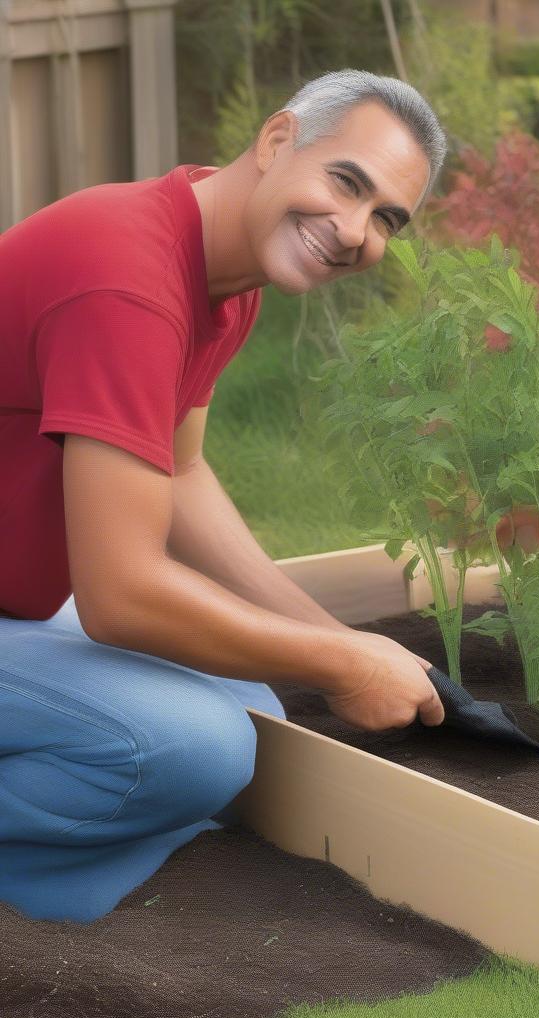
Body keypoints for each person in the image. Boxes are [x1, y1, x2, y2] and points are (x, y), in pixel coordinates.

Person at [0, 70, 451, 925]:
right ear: (279, 141)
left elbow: (180, 472)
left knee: (248, 708)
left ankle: (93, 857)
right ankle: (36, 889)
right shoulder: (126, 278)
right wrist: (348, 664)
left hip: (16, 603)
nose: (354, 230)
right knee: (192, 747)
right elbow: (122, 596)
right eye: (346, 183)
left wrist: (332, 635)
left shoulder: (216, 272)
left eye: (386, 218)